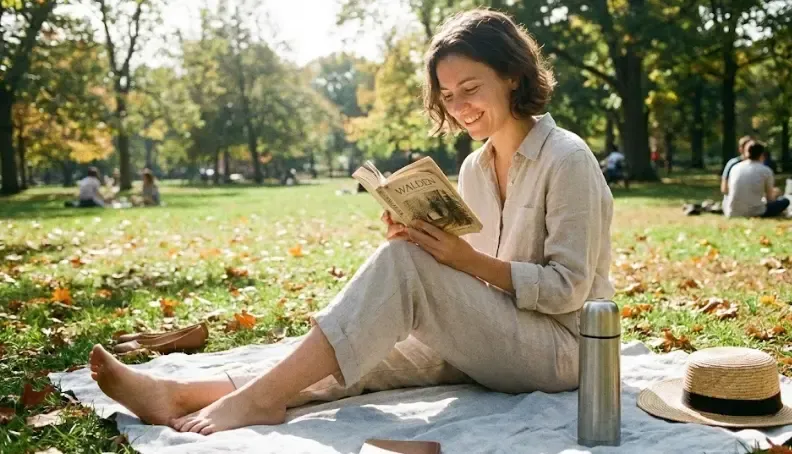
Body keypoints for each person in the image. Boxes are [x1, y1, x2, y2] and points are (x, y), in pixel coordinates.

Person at [87, 9, 613, 435]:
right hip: (502, 335)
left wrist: (461, 260)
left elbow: (569, 289)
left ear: (513, 75)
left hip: (564, 354)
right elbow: (474, 279)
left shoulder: (566, 158)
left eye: (470, 88)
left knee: (397, 277)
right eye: (448, 96)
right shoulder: (476, 165)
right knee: (361, 347)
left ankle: (258, 402)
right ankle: (181, 394)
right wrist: (427, 242)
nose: (459, 107)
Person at [724, 141, 790, 218]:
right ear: (762, 155)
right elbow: (770, 199)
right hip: (755, 212)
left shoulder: (735, 167)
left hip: (732, 212)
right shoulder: (766, 170)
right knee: (785, 201)